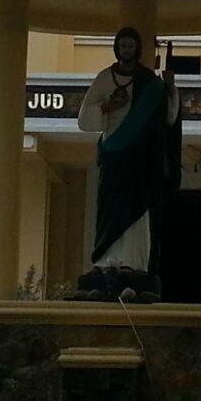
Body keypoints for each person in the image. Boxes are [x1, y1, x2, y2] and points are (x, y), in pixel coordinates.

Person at [75, 26, 180, 295]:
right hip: (113, 154)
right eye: (123, 45)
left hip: (140, 159)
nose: (127, 50)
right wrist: (108, 105)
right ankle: (105, 262)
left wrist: (171, 87)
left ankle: (133, 262)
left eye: (131, 46)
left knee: (138, 210)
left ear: (137, 49)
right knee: (109, 208)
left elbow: (168, 117)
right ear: (116, 48)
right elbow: (84, 119)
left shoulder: (149, 83)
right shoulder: (104, 79)